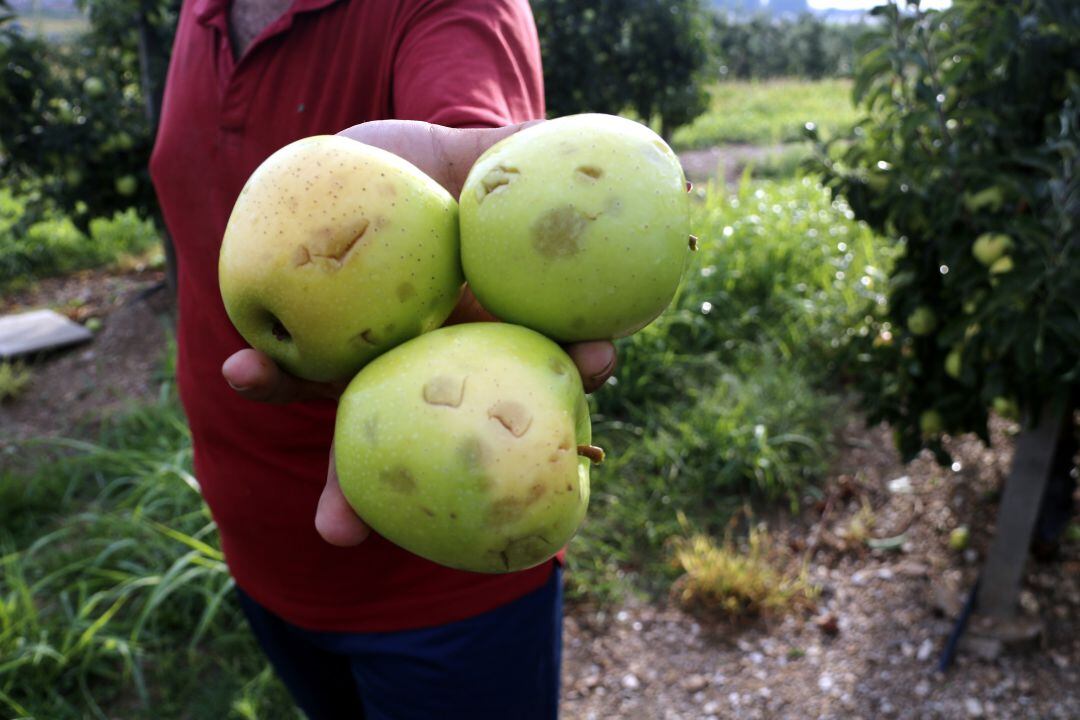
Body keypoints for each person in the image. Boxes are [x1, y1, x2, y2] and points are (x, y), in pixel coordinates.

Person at [148, 0, 616, 717]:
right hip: (257, 542)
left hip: (438, 580)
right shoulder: (199, 11)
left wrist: (501, 217)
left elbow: (476, 173)